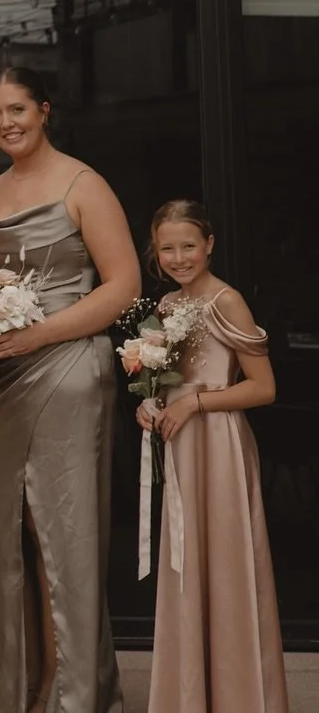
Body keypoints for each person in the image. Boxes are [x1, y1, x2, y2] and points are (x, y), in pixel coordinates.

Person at [0, 68, 140, 713]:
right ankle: (14, 688)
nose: (7, 123)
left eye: (18, 110)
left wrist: (41, 335)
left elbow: (121, 286)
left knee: (62, 536)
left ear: (45, 109)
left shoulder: (83, 184)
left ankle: (70, 696)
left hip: (67, 370)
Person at [142, 200, 286, 713]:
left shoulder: (228, 301)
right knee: (188, 565)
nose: (179, 257)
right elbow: (158, 380)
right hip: (183, 447)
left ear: (209, 245)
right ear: (155, 254)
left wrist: (196, 402)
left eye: (188, 246)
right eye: (167, 248)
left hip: (219, 445)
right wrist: (150, 403)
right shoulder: (163, 306)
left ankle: (238, 696)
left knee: (224, 565)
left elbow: (263, 388)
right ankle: (191, 697)